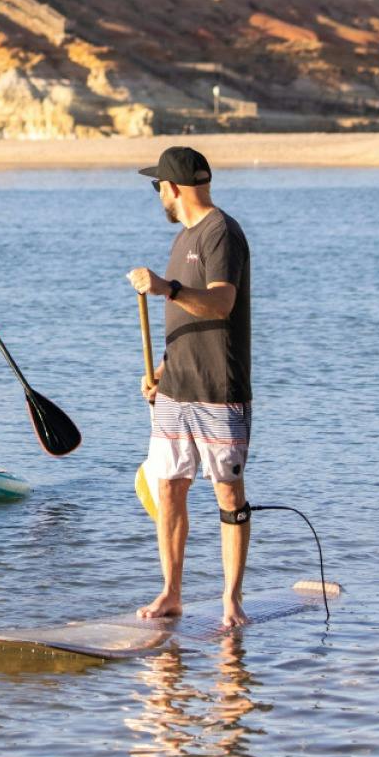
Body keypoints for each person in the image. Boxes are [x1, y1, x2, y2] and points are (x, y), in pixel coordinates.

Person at [126, 146, 253, 628]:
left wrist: (167, 288)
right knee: (170, 488)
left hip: (219, 389)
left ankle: (231, 600)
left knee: (227, 494)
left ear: (172, 187)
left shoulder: (222, 232)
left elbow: (220, 303)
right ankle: (171, 593)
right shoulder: (182, 240)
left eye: (157, 185)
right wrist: (160, 370)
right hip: (175, 389)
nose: (157, 193)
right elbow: (180, 316)